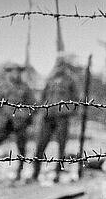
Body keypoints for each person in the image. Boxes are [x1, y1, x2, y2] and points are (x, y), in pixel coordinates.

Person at [30, 53, 79, 183]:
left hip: (62, 117)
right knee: (41, 144)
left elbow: (77, 99)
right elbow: (43, 95)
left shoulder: (70, 79)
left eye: (62, 63)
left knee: (61, 146)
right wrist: (41, 109)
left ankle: (57, 173)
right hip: (48, 116)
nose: (59, 66)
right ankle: (35, 172)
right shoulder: (50, 78)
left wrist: (70, 111)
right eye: (58, 63)